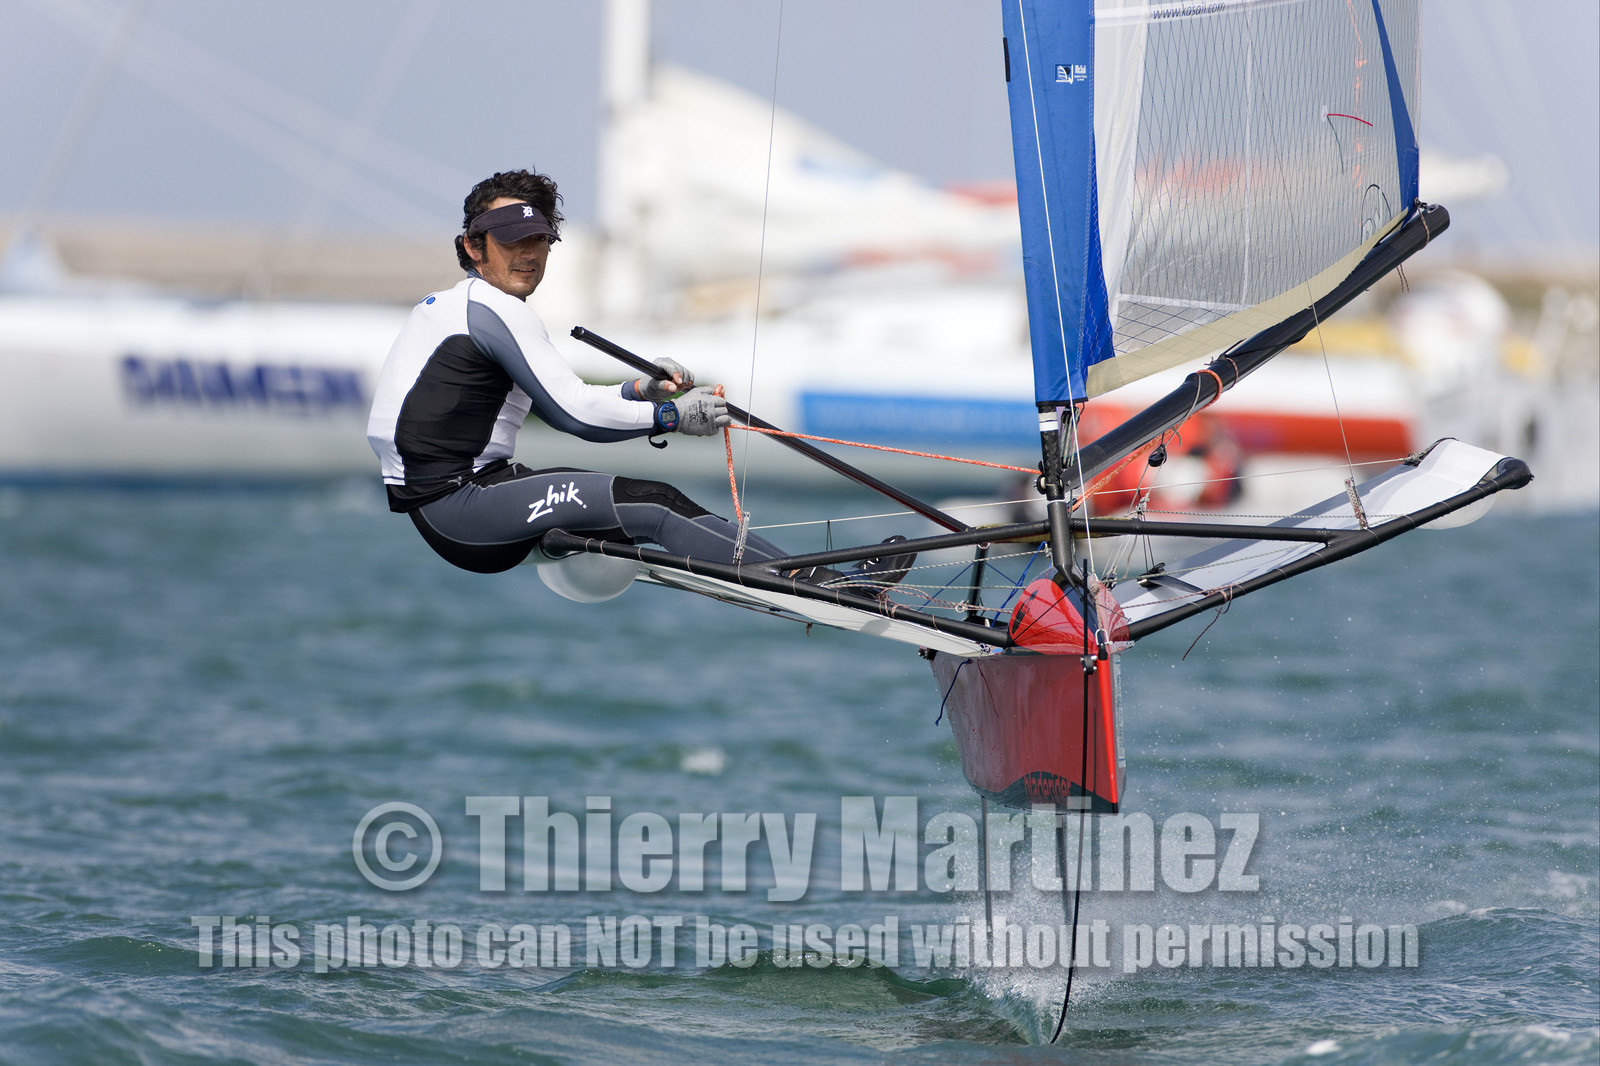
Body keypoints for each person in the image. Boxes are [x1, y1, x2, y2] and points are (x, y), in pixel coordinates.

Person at [366, 168, 914, 587]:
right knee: (654, 504)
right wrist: (673, 415)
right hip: (463, 509)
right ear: (472, 246)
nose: (528, 255)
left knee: (648, 506)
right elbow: (572, 414)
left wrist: (640, 391)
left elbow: (563, 397)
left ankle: (822, 581)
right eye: (511, 241)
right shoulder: (491, 310)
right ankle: (833, 586)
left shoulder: (462, 307)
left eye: (538, 241)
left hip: (472, 500)